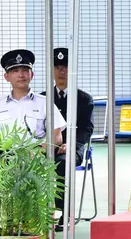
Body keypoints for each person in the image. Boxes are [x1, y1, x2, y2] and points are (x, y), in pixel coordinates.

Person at [41, 48, 94, 231]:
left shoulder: (83, 99)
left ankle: (65, 212)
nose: (61, 71)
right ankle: (35, 212)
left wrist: (70, 144)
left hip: (73, 147)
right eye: (57, 67)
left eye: (65, 67)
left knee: (63, 164)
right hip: (45, 145)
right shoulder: (43, 98)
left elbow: (87, 128)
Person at [0, 49, 66, 149]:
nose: (21, 75)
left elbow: (57, 137)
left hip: (38, 159)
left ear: (31, 75)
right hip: (5, 160)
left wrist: (38, 152)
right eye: (15, 71)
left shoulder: (45, 103)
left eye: (25, 70)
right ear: (6, 77)